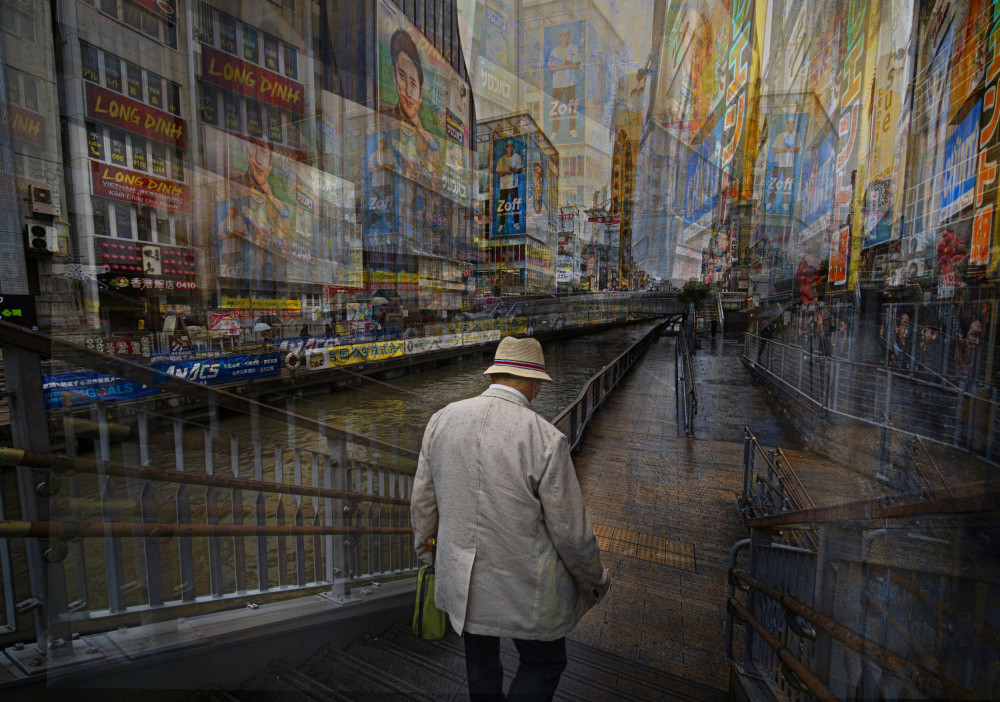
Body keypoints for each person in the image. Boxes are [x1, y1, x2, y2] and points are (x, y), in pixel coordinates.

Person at [411, 336, 610, 701]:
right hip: (525, 586)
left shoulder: (442, 420)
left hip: (465, 582)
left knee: (480, 664)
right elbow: (570, 532)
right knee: (543, 663)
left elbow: (423, 504)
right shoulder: (545, 439)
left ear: (495, 375)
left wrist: (429, 560)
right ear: (533, 385)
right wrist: (594, 580)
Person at [381, 29, 438, 174]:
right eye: (402, 76)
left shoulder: (430, 144)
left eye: (413, 83)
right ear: (394, 74)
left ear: (421, 93)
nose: (407, 91)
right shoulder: (381, 115)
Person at [547, 30, 581, 139]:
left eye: (567, 35)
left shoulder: (573, 48)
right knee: (556, 108)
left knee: (571, 107)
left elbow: (576, 65)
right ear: (560, 37)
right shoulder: (554, 51)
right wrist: (559, 68)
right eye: (563, 35)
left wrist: (567, 63)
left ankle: (573, 129)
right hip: (557, 84)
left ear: (569, 36)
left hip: (570, 83)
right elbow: (550, 68)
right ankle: (554, 131)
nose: (565, 37)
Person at [495, 141, 523, 233]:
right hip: (504, 186)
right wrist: (505, 173)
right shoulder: (501, 159)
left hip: (513, 185)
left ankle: (516, 223)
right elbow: (498, 173)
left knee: (515, 204)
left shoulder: (517, 157)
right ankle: (501, 224)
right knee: (503, 205)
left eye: (511, 147)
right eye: (508, 147)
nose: (510, 148)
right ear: (506, 148)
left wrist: (512, 170)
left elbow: (519, 170)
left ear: (513, 148)